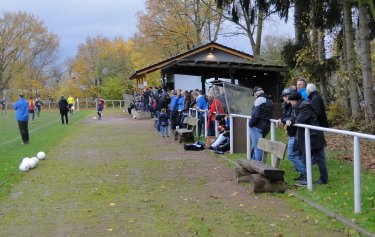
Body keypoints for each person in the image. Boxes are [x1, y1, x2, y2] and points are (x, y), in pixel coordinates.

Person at [286, 92, 328, 186]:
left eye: (291, 101)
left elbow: (299, 119)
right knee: (318, 158)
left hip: (313, 136)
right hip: (312, 136)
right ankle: (321, 179)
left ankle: (309, 179)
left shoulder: (305, 106)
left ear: (295, 101)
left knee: (309, 158)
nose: (290, 103)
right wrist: (290, 120)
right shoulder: (300, 106)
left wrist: (291, 121)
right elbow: (294, 117)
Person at [277, 88, 306, 181]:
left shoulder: (295, 106)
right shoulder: (286, 105)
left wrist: (285, 120)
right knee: (296, 155)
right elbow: (285, 117)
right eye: (284, 97)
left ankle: (305, 174)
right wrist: (281, 120)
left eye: (288, 96)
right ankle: (304, 174)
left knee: (292, 155)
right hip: (292, 133)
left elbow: (292, 118)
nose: (287, 98)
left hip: (296, 133)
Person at [248, 86, 273, 161]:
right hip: (266, 126)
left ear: (255, 93)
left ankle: (257, 166)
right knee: (256, 147)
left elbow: (256, 115)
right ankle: (252, 164)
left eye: (254, 95)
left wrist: (250, 123)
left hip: (257, 127)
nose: (254, 97)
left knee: (257, 148)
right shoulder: (269, 100)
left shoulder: (259, 100)